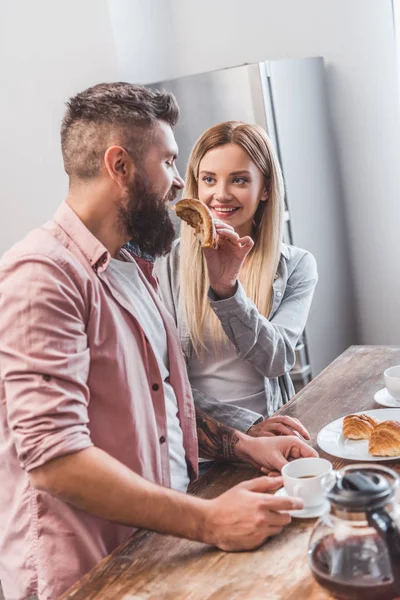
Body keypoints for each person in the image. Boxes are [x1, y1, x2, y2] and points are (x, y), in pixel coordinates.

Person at [0, 84, 317, 600]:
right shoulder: (41, 276)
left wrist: (242, 443)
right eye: (169, 163)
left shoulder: (130, 267)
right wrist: (210, 520)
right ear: (119, 166)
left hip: (155, 546)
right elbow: (56, 460)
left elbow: (164, 402)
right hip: (87, 573)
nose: (178, 185)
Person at [155, 121, 318, 436]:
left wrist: (227, 291)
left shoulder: (296, 265)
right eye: (209, 180)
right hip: (200, 440)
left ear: (266, 188)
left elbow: (278, 360)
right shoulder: (169, 262)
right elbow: (165, 377)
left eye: (239, 180)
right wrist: (243, 429)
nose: (221, 194)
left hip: (272, 431)